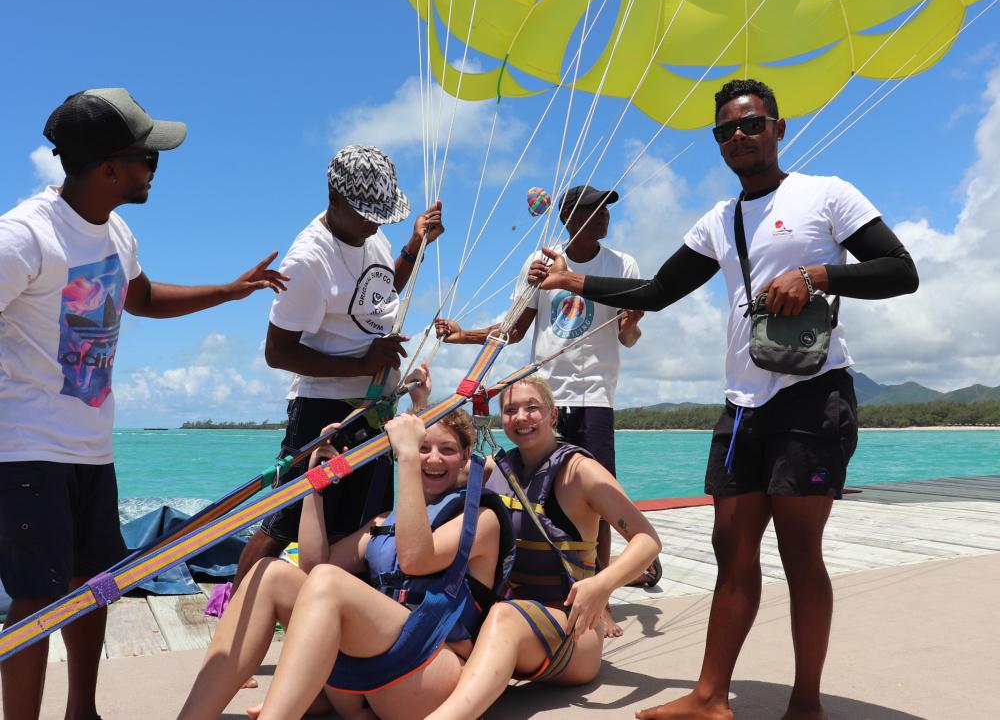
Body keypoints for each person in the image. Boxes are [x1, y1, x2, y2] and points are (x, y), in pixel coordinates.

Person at [527, 79, 919, 720]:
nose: (739, 136)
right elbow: (656, 292)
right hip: (742, 404)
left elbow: (901, 270)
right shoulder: (721, 218)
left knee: (800, 555)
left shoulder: (827, 194)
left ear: (778, 127)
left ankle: (807, 702)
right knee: (730, 549)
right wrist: (574, 279)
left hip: (812, 397)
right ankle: (710, 697)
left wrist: (817, 274)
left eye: (751, 124)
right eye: (725, 131)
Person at [0, 88, 288, 720]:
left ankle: (84, 712)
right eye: (147, 158)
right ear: (108, 168)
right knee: (34, 600)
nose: (155, 168)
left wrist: (229, 291)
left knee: (93, 588)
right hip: (26, 452)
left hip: (91, 450)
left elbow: (143, 297)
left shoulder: (116, 231)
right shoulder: (23, 237)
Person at [178, 396, 512, 720]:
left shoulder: (482, 519)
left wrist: (408, 456)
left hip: (428, 671)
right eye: (423, 447)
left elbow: (415, 559)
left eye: (447, 450)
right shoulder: (384, 521)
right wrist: (316, 485)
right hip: (369, 675)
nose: (433, 459)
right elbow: (314, 569)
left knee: (329, 584)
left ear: (466, 455)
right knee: (271, 573)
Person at [434, 184, 646, 637]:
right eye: (592, 210)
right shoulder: (542, 260)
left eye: (606, 209)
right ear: (568, 216)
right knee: (536, 496)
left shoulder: (622, 265)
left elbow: (628, 336)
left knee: (600, 500)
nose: (603, 217)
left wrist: (632, 320)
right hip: (545, 396)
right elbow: (513, 330)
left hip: (593, 395)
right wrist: (462, 334)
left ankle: (600, 597)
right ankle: (541, 584)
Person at [232, 144, 444, 590]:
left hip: (372, 407)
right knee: (287, 518)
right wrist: (361, 362)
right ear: (334, 197)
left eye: (381, 215)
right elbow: (278, 352)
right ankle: (233, 610)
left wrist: (412, 245)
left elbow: (382, 288)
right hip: (321, 409)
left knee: (356, 521)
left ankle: (337, 615)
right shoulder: (309, 260)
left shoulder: (372, 234)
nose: (374, 223)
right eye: (367, 213)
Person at [424, 376, 662, 720]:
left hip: (572, 632)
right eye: (510, 410)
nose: (521, 417)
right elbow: (434, 466)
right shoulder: (498, 469)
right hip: (509, 621)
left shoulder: (581, 472)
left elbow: (648, 540)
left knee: (503, 615)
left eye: (532, 408)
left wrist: (602, 584)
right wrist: (421, 406)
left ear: (552, 415)